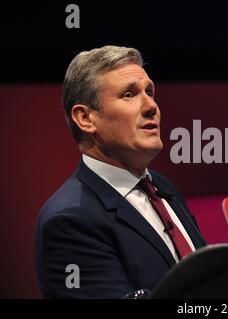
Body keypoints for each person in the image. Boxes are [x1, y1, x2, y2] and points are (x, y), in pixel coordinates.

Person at [34, 45, 207, 298]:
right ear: (85, 119)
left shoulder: (162, 187)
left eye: (150, 92)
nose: (151, 106)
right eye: (129, 94)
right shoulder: (69, 221)